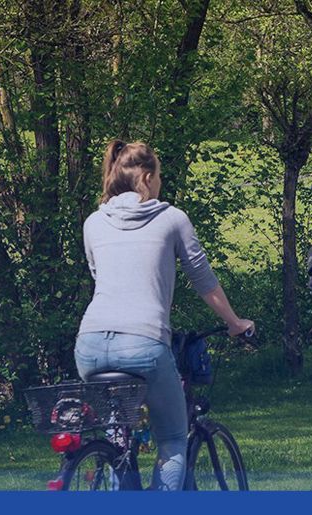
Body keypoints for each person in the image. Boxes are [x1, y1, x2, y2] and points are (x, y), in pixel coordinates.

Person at [77, 140, 254, 491]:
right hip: (142, 343)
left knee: (118, 439)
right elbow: (203, 280)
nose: (160, 183)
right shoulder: (172, 218)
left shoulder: (93, 222)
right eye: (158, 176)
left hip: (90, 345)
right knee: (172, 438)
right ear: (146, 178)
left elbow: (101, 277)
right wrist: (236, 324)